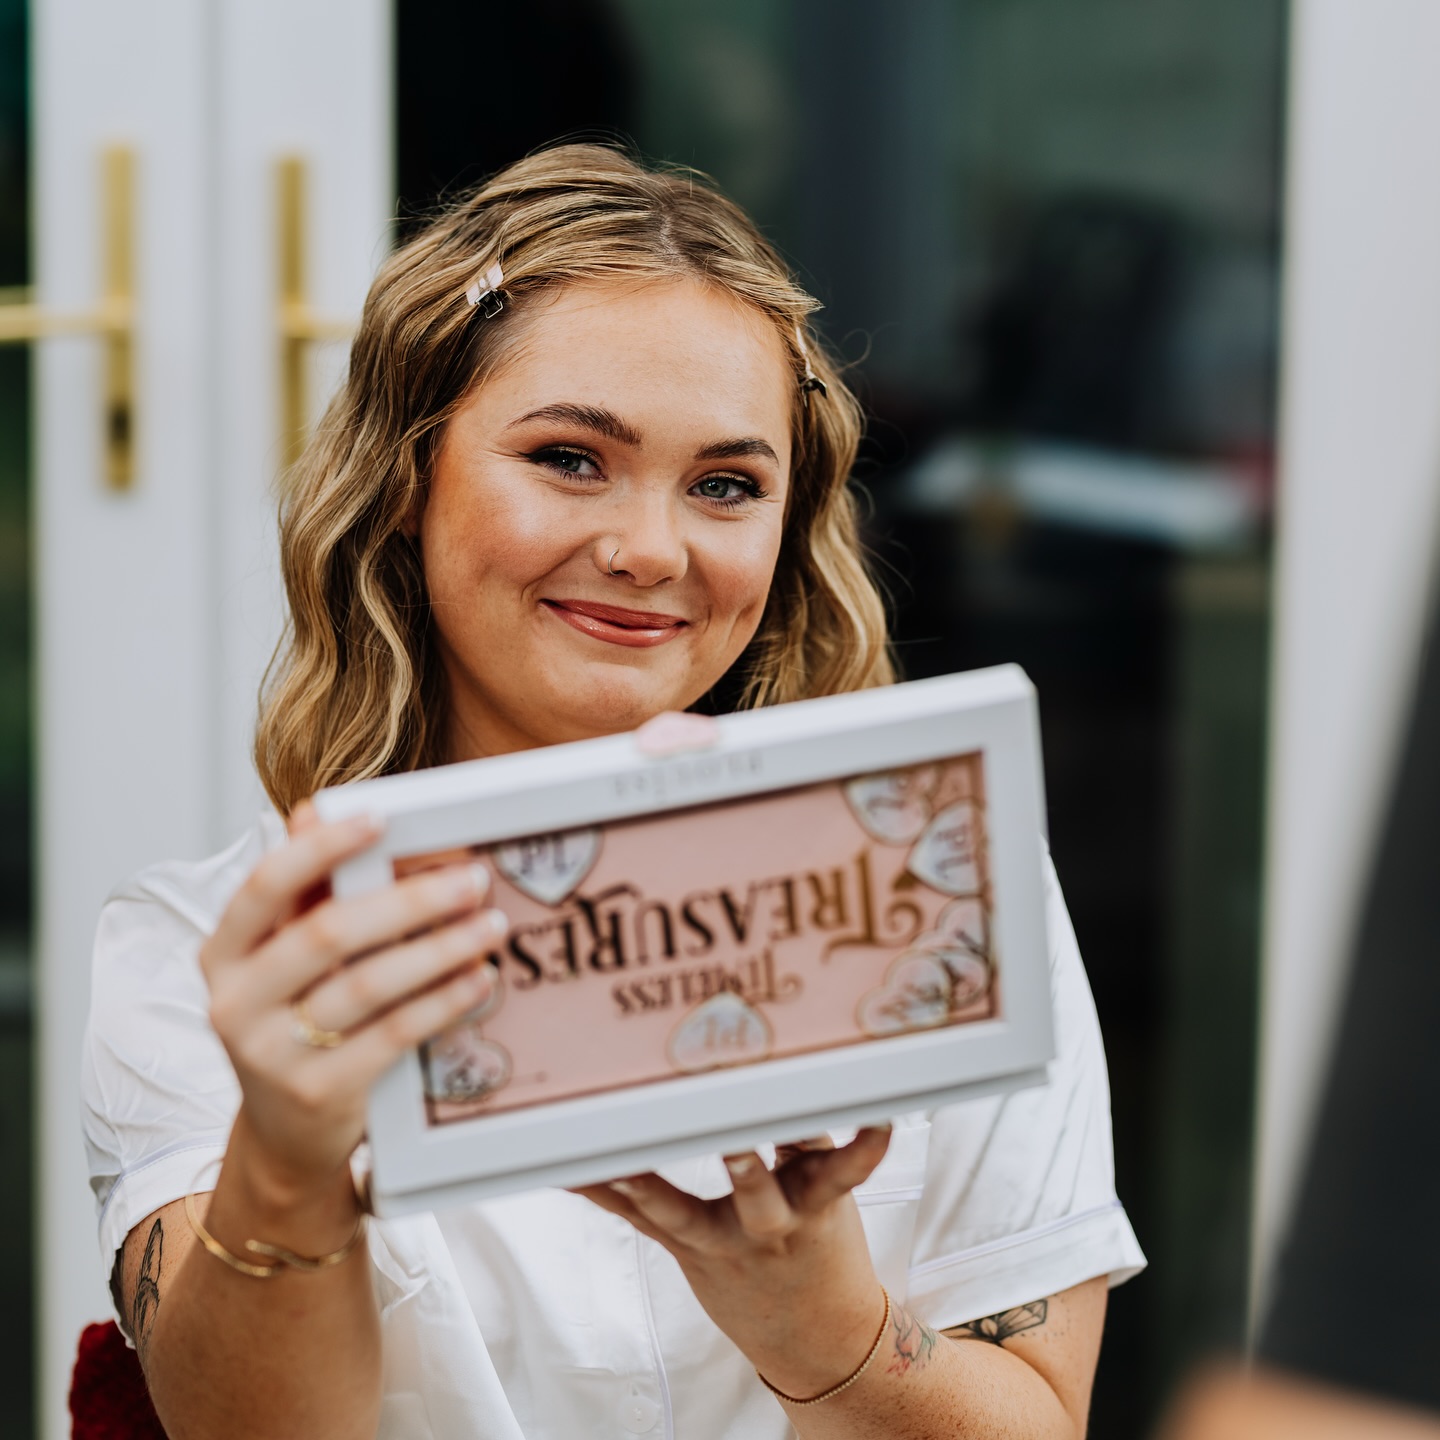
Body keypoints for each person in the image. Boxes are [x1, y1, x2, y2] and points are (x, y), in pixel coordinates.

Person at [81, 144, 1144, 1440]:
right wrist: (288, 1162)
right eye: (570, 459)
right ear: (409, 476)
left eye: (726, 486)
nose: (649, 550)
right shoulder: (209, 957)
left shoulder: (946, 891)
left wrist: (822, 1327)